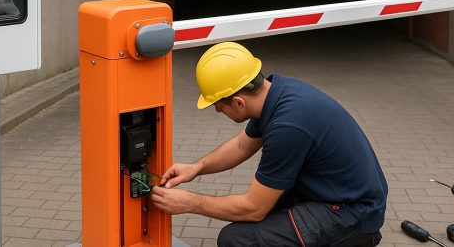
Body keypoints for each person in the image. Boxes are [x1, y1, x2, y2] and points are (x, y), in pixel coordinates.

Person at [150, 42, 388, 246]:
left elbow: (254, 208)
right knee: (250, 220)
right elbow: (242, 146)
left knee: (237, 239)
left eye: (218, 106)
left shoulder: (288, 126)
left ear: (238, 102)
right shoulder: (276, 94)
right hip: (332, 194)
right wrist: (197, 168)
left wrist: (192, 203)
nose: (217, 111)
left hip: (352, 215)